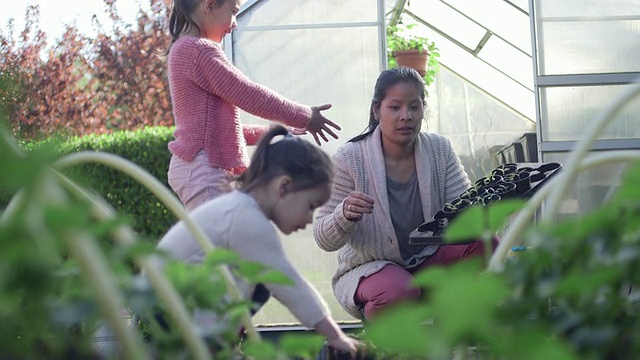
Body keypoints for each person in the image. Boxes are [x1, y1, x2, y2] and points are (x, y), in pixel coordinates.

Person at [155, 125, 361, 356]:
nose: (309, 219)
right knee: (269, 279)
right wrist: (336, 336)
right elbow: (289, 284)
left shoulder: (240, 207)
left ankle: (223, 346)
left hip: (168, 300)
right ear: (284, 187)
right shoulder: (246, 218)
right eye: (310, 206)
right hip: (167, 308)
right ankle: (214, 348)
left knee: (260, 283)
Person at [313, 67, 493, 322]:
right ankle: (385, 332)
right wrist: (344, 214)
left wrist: (494, 205)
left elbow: (464, 209)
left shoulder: (439, 150)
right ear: (377, 110)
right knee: (398, 290)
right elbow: (323, 238)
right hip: (373, 269)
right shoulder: (350, 158)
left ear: (423, 109)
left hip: (428, 259)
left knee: (486, 241)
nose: (406, 116)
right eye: (395, 107)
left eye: (414, 107)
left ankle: (445, 313)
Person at [166, 0, 341, 211]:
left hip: (202, 167)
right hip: (205, 169)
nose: (235, 24)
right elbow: (248, 94)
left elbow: (218, 132)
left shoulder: (187, 49)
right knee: (220, 241)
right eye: (233, 12)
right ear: (210, 5)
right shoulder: (196, 50)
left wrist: (272, 132)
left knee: (225, 238)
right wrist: (306, 115)